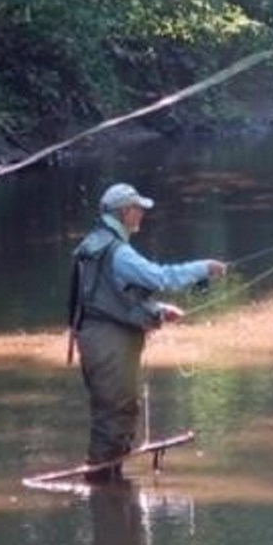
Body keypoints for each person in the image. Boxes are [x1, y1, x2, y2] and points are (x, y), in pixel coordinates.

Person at [68, 182, 227, 480]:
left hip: (97, 338)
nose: (142, 214)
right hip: (108, 343)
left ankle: (110, 495)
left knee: (115, 409)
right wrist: (204, 268)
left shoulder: (96, 242)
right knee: (113, 412)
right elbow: (162, 277)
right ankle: (102, 481)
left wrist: (156, 312)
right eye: (138, 208)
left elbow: (109, 296)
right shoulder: (118, 252)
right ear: (126, 212)